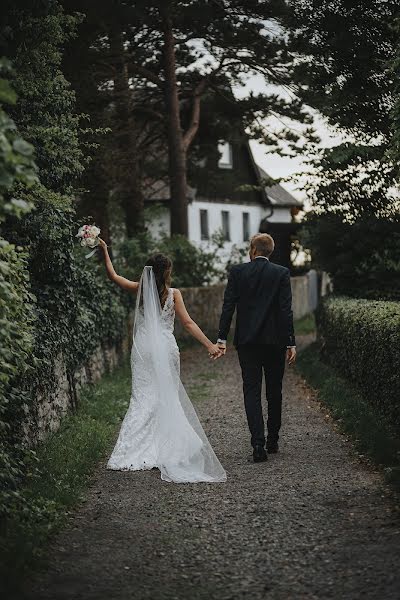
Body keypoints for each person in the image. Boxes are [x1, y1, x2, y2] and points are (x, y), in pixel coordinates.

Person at [98, 239, 226, 483]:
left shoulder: (139, 289)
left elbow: (114, 276)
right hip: (166, 348)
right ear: (167, 271)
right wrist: (209, 344)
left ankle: (132, 451)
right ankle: (168, 447)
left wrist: (104, 250)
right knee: (166, 395)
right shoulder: (174, 295)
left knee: (142, 395)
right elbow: (188, 323)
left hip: (143, 348)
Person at [216, 233, 296, 463]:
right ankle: (273, 440)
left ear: (253, 250)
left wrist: (222, 338)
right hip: (275, 342)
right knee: (274, 391)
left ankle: (257, 445)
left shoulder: (238, 272)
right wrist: (290, 342)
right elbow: (285, 310)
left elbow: (228, 306)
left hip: (248, 343)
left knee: (251, 391)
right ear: (270, 251)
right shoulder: (281, 273)